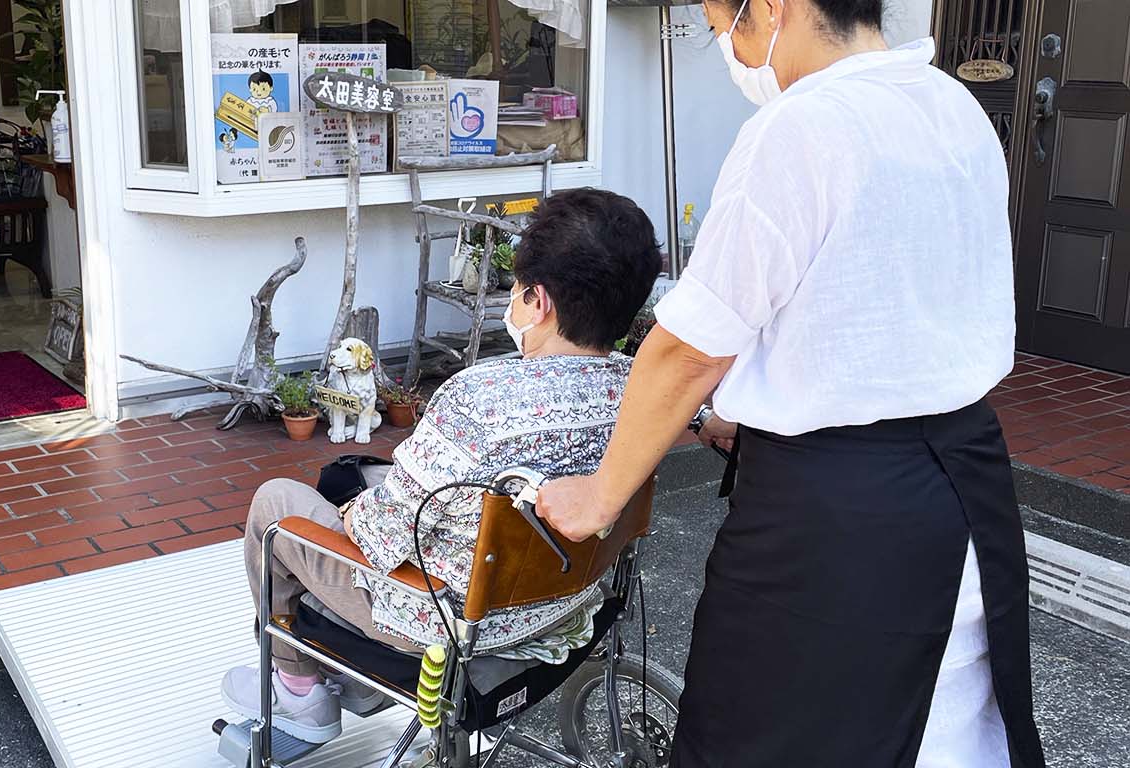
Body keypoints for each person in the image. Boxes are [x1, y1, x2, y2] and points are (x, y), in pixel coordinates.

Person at [535, 1, 1047, 766]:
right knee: (948, 726)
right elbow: (873, 295)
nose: (727, 47)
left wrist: (600, 495)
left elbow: (687, 351)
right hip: (967, 479)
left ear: (772, 9)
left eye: (723, 23)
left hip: (836, 516)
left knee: (771, 734)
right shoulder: (953, 106)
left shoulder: (802, 125)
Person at [220, 188, 662, 745]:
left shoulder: (478, 398)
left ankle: (300, 691)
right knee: (368, 478)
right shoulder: (648, 392)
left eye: (519, 293)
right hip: (569, 600)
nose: (515, 305)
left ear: (541, 302)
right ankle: (354, 685)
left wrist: (357, 511)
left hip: (449, 622)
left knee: (279, 505)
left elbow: (378, 533)